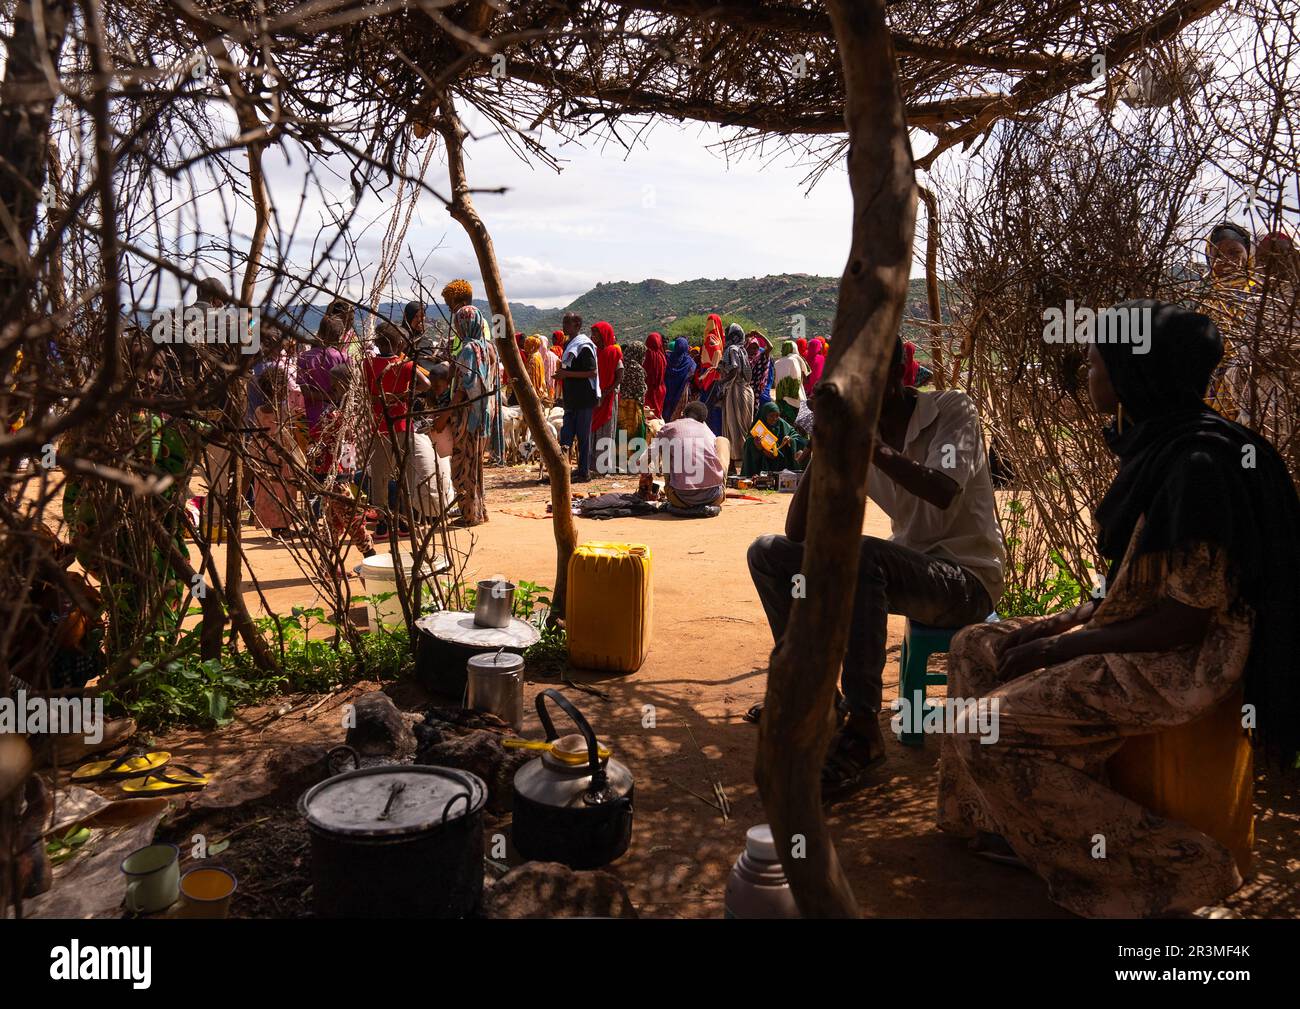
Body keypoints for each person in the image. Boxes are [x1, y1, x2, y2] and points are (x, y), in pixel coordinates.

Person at [939, 300, 1300, 918]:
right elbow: (1133, 585)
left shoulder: (1200, 464)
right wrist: (1069, 622)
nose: (1090, 371)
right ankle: (1003, 820)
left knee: (981, 730)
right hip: (1136, 626)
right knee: (976, 644)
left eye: (1101, 360)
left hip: (1180, 661)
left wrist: (1059, 646)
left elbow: (1183, 620)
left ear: (1139, 371)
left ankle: (1179, 865)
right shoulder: (1160, 443)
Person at [747, 336, 1003, 793]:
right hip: (908, 570)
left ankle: (864, 732)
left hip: (966, 581)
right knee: (768, 553)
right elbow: (797, 532)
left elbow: (943, 490)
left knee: (865, 556)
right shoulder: (857, 439)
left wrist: (870, 447)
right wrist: (825, 448)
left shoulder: (952, 410)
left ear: (897, 377)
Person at [298, 315, 374, 562]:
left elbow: (301, 391)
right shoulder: (340, 359)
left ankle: (327, 559)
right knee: (346, 508)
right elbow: (348, 446)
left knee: (334, 509)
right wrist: (348, 471)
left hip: (316, 429)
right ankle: (369, 552)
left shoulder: (304, 358)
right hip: (333, 455)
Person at [364, 321, 448, 527]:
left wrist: (383, 398)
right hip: (403, 426)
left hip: (379, 427)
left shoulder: (368, 364)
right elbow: (426, 384)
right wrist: (403, 395)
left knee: (380, 478)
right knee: (404, 474)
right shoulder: (405, 364)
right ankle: (404, 520)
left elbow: (367, 394)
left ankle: (383, 523)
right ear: (400, 343)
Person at [448, 304, 497, 525]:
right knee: (477, 464)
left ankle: (469, 514)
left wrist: (445, 413)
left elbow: (464, 386)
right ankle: (479, 510)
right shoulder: (489, 348)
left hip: (467, 416)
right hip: (485, 414)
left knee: (463, 464)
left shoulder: (468, 350)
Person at [654, 401, 727, 509]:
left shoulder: (669, 427)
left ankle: (668, 487)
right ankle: (723, 485)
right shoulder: (708, 432)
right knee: (722, 441)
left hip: (680, 500)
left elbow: (651, 452)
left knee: (664, 444)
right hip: (714, 498)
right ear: (703, 420)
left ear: (683, 414)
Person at [555, 312, 599, 482]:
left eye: (568, 322)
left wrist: (567, 374)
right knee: (566, 435)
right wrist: (564, 375)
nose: (564, 325)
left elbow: (592, 372)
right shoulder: (569, 344)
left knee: (582, 436)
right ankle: (563, 469)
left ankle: (584, 471)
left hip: (583, 398)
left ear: (577, 325)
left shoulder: (584, 346)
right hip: (571, 397)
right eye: (564, 321)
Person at [718, 323, 754, 471]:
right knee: (743, 426)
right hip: (745, 391)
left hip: (735, 391)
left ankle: (734, 462)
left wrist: (721, 382)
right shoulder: (742, 349)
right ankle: (742, 461)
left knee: (732, 425)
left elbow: (734, 370)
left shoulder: (732, 349)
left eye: (727, 333)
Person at [741, 400, 808, 476]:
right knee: (750, 442)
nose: (775, 418)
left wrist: (790, 440)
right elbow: (749, 443)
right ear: (764, 415)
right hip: (761, 461)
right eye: (771, 416)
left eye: (777, 415)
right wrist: (759, 447)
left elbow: (796, 437)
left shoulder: (781, 423)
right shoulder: (758, 427)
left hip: (780, 461)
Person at [590, 321, 623, 472]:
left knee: (606, 428)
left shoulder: (614, 352)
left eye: (596, 333)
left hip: (609, 397)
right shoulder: (593, 352)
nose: (593, 336)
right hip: (595, 396)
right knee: (593, 429)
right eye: (592, 333)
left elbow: (619, 376)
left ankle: (603, 464)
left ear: (604, 334)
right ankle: (592, 463)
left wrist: (606, 392)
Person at [772, 338, 809, 425]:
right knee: (799, 420)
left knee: (785, 421)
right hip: (796, 396)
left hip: (781, 396)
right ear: (794, 348)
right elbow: (806, 375)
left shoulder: (777, 362)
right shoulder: (796, 358)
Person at [662, 336, 696, 421]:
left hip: (666, 391)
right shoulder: (689, 362)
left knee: (665, 413)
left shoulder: (667, 358)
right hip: (681, 394)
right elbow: (692, 374)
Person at [644, 332, 667, 418]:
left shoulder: (646, 355)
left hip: (647, 390)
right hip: (659, 389)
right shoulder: (662, 356)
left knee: (646, 415)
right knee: (656, 414)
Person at [747, 331, 773, 406]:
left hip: (758, 390)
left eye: (755, 348)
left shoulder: (761, 356)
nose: (752, 350)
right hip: (746, 389)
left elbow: (770, 347)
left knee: (756, 411)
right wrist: (747, 335)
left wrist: (760, 335)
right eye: (750, 347)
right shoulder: (743, 357)